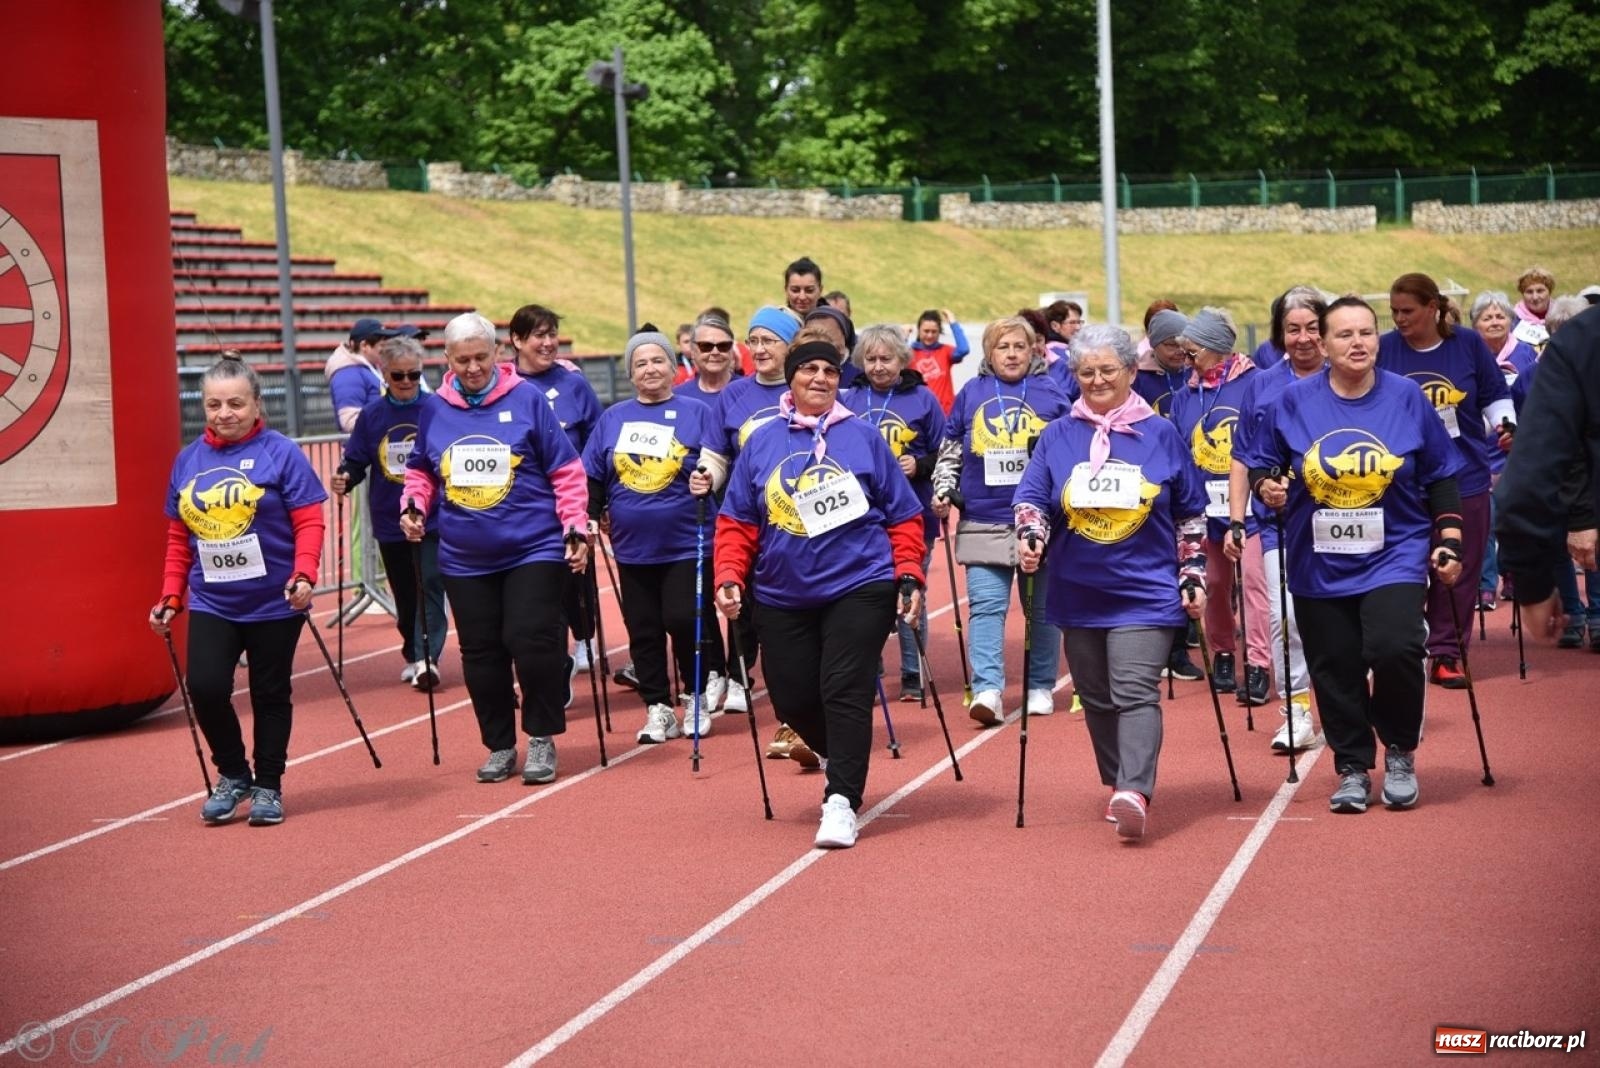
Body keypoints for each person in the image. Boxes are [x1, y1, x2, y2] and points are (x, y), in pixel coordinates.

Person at [1240, 296, 1466, 814]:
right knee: (1334, 665)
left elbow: (1440, 475)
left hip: (1396, 551)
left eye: (1366, 332)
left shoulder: (1407, 398)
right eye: (1344, 334)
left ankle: (1401, 751)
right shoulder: (1292, 402)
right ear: (1323, 343)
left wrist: (1449, 538)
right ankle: (1352, 766)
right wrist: (1267, 487)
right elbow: (1261, 465)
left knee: (1395, 647)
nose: (1358, 342)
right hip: (1318, 557)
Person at [713, 339, 927, 849]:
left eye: (830, 371)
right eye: (808, 369)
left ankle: (841, 800)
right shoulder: (762, 442)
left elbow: (903, 514)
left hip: (860, 583)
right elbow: (738, 519)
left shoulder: (865, 438)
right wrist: (729, 575)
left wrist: (908, 571)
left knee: (844, 687)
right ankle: (842, 756)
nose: (819, 378)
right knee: (791, 695)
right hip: (783, 591)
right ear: (791, 378)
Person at [1013, 324, 1207, 840]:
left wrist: (1192, 572)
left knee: (1133, 689)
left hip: (1146, 589)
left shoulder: (1160, 433)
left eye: (1108, 370)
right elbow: (1031, 497)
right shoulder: (1058, 434)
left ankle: (1135, 789)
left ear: (1128, 372)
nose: (1097, 380)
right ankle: (1119, 779)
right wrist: (1032, 534)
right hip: (1079, 588)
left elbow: (1190, 513)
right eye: (1086, 372)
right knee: (1095, 695)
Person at [400, 313, 589, 786]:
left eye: (481, 357)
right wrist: (414, 505)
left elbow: (565, 469)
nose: (472, 368)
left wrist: (574, 526)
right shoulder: (434, 409)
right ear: (446, 359)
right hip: (465, 555)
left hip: (533, 547)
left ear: (498, 354)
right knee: (481, 654)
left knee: (532, 639)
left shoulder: (526, 399)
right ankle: (500, 745)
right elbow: (421, 468)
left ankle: (542, 736)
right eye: (462, 360)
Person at [150, 357, 326, 826]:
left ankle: (269, 785)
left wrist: (304, 574)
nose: (224, 413)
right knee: (205, 687)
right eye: (213, 404)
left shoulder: (281, 453)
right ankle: (233, 773)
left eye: (234, 403)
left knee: (270, 693)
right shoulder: (188, 460)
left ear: (255, 404)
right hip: (213, 598)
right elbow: (176, 537)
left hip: (275, 600)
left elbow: (308, 520)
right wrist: (171, 594)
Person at [585, 330, 727, 743]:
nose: (650, 369)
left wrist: (707, 477)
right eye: (641, 363)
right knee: (643, 629)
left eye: (657, 360)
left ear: (672, 366)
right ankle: (658, 707)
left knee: (684, 620)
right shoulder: (613, 418)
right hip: (631, 546)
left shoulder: (697, 412)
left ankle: (695, 696)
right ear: (630, 373)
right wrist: (591, 516)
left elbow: (718, 462)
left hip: (688, 539)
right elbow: (593, 473)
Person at [932, 316, 1070, 725]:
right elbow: (951, 448)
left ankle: (1041, 685)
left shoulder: (1052, 393)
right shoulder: (971, 393)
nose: (1011, 354)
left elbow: (1067, 453)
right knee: (987, 606)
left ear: (1034, 351)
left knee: (1040, 609)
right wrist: (942, 488)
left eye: (1019, 346)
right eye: (1002, 347)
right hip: (983, 515)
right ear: (989, 353)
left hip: (1040, 520)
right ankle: (989, 689)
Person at [1379, 273, 1514, 688]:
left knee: (1459, 566)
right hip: (1402, 482)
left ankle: (1447, 652)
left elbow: (1494, 395)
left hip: (1464, 474)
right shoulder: (1384, 349)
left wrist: (1506, 424)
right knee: (1403, 565)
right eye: (1395, 311)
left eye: (1409, 311)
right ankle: (1403, 646)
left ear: (1433, 307)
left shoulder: (1468, 344)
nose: (1400, 319)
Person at [691, 305, 802, 746]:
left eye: (768, 341)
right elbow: (716, 455)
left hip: (796, 523)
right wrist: (705, 475)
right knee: (755, 615)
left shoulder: (807, 390)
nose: (758, 349)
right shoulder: (733, 396)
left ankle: (797, 716)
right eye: (752, 340)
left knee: (791, 620)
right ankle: (759, 686)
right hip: (746, 521)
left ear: (789, 346)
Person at [1228, 286, 1327, 752]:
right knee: (1284, 619)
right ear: (1279, 334)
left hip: (1346, 519)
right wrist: (1237, 517)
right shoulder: (1262, 384)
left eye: (1312, 327)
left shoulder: (1352, 375)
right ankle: (1297, 710)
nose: (1303, 338)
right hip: (1278, 524)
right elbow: (1243, 457)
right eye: (1293, 329)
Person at [331, 335, 449, 689]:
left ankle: (428, 658)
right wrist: (345, 478)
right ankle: (413, 651)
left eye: (414, 375)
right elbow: (356, 460)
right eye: (399, 376)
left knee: (430, 581)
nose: (407, 383)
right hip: (389, 517)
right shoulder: (372, 417)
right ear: (385, 375)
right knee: (404, 589)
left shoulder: (438, 407)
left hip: (433, 515)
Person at [1170, 308, 1271, 707]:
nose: (1187, 361)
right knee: (1213, 583)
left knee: (1255, 582)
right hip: (1203, 506)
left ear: (1216, 349)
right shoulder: (1184, 395)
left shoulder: (1257, 382)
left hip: (1250, 506)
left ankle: (1260, 662)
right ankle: (1224, 653)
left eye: (1193, 353)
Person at [844, 323, 946, 701]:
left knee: (909, 592)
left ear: (902, 360)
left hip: (912, 512)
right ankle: (865, 674)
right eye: (869, 359)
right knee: (865, 599)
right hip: (859, 517)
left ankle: (912, 673)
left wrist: (918, 465)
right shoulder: (850, 399)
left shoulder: (922, 399)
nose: (878, 366)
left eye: (886, 358)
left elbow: (946, 451)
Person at [1495, 303, 1600, 649]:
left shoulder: (1583, 338)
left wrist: (1533, 586)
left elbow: (1527, 479)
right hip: (1571, 493)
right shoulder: (1574, 347)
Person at [509, 303, 604, 676]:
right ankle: (552, 656)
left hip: (572, 502)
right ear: (517, 340)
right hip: (526, 507)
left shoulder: (573, 383)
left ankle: (584, 635)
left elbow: (597, 437)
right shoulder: (506, 386)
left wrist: (598, 498)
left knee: (576, 578)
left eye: (552, 335)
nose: (549, 343)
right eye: (539, 336)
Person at [1468, 291, 1538, 612]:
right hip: (1478, 450)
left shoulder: (1526, 355)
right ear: (1475, 324)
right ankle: (1485, 585)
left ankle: (1512, 572)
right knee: (1485, 519)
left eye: (1500, 316)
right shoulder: (1469, 355)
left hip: (1517, 449)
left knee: (1512, 517)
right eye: (1487, 317)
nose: (1495, 322)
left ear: (1511, 320)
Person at [908, 308, 970, 414]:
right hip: (919, 413)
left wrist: (953, 322)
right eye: (926, 331)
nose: (930, 335)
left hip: (945, 413)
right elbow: (894, 358)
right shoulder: (910, 353)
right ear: (919, 330)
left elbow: (963, 349)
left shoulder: (945, 351)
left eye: (934, 332)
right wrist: (903, 337)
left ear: (939, 332)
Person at [675, 311, 738, 406]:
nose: (715, 352)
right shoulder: (678, 398)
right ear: (692, 352)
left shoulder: (749, 392)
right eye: (706, 346)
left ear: (732, 351)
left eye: (723, 346)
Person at [804, 304, 863, 389]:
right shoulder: (800, 367)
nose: (821, 340)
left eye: (828, 334)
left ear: (844, 335)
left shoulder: (860, 369)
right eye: (812, 334)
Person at [1511, 265, 1554, 352]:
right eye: (1529, 292)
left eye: (1540, 291)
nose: (1535, 297)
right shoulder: (1512, 321)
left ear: (1549, 291)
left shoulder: (1562, 316)